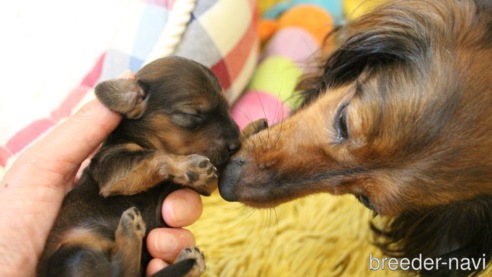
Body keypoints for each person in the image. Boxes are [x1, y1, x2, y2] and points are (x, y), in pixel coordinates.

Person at [0, 71, 203, 277]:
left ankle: (127, 262)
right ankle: (125, 262)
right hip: (80, 252)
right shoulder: (114, 154)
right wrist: (169, 165)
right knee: (78, 263)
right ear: (134, 98)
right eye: (191, 115)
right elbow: (114, 181)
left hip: (100, 250)